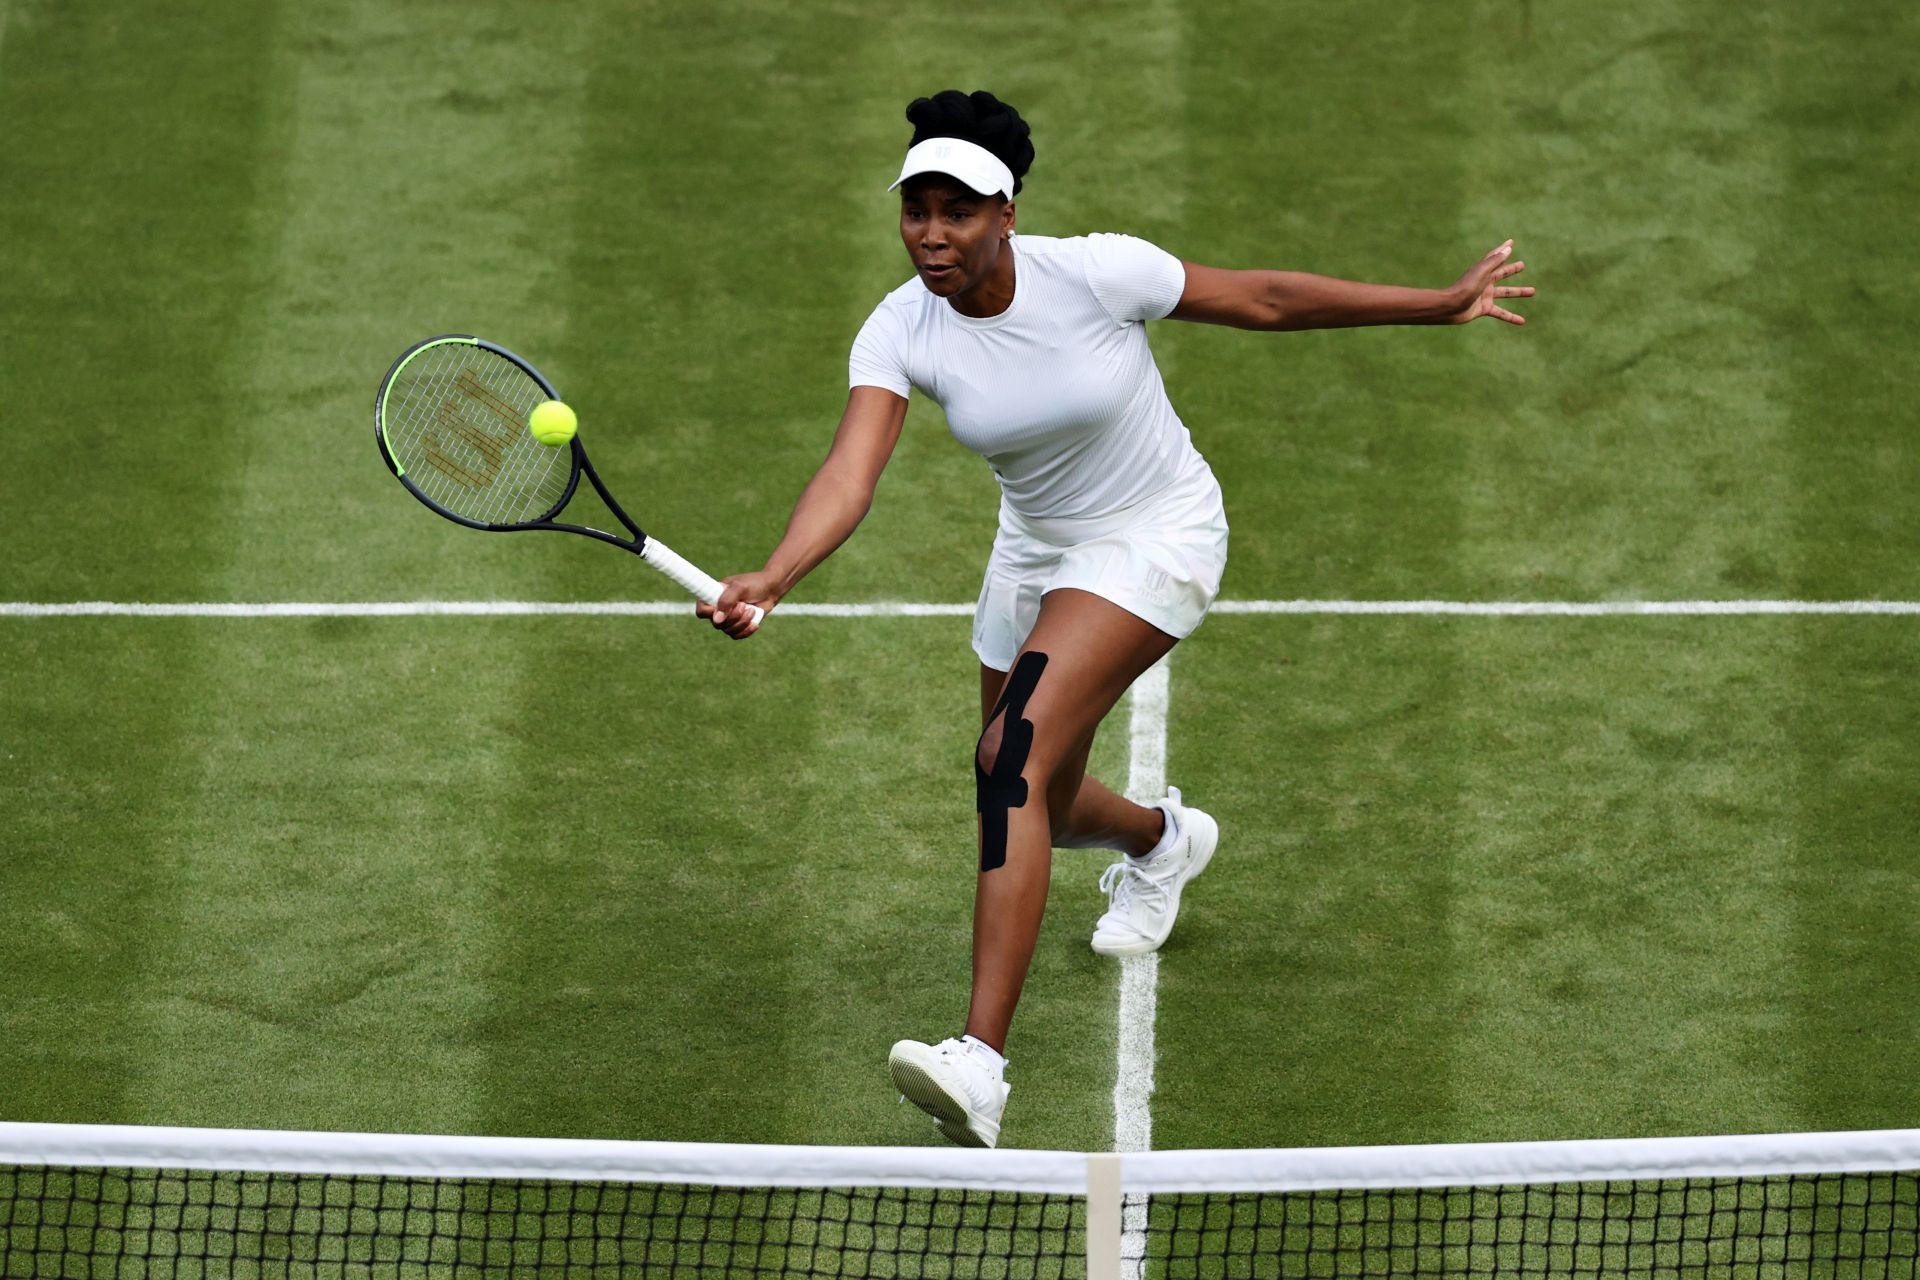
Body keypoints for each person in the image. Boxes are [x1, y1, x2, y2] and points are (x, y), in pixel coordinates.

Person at [698, 89, 1533, 1147]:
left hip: (1156, 533)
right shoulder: (898, 324)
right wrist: (774, 572)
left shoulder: (1097, 271)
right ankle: (1163, 839)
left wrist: (1436, 302)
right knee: (1024, 785)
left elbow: (1266, 299)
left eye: (958, 210)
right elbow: (850, 471)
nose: (932, 234)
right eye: (917, 208)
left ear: (1007, 212)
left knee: (1011, 759)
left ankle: (981, 1064)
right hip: (1036, 548)